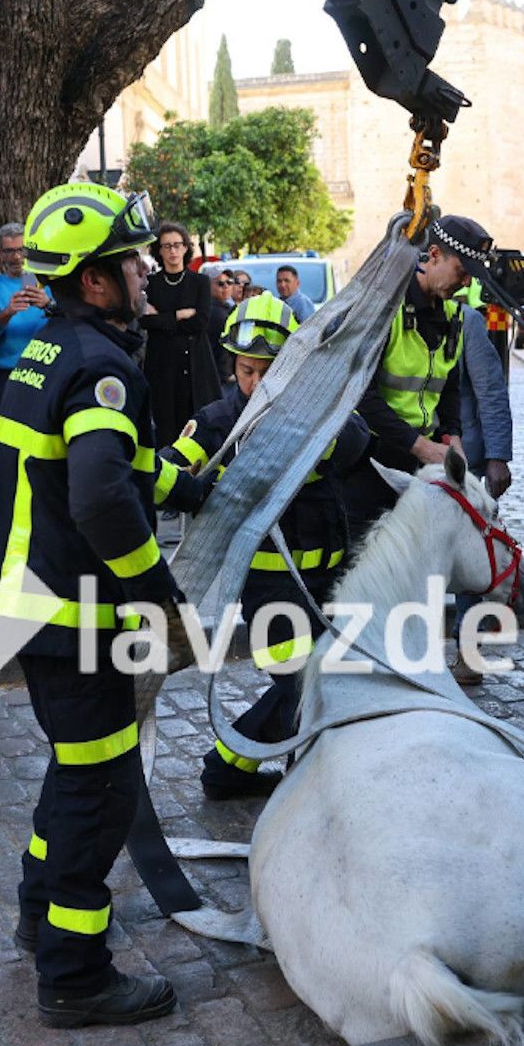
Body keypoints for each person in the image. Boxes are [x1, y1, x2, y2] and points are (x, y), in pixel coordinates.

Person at [0, 182, 212, 1028]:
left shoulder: (49, 348)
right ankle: (75, 974)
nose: (146, 271)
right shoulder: (102, 367)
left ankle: (41, 916)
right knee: (101, 788)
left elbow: (115, 462)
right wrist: (162, 596)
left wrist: (191, 481)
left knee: (74, 765)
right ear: (98, 282)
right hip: (68, 614)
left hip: (19, 601)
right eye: (131, 261)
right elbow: (102, 500)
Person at [164, 294, 371, 799]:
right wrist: (205, 490)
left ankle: (261, 765)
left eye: (269, 370)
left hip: (331, 580)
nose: (256, 383)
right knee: (304, 684)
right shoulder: (217, 421)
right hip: (268, 587)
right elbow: (166, 471)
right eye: (246, 370)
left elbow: (358, 444)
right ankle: (229, 766)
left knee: (329, 682)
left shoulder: (324, 411)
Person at [346, 215, 494, 539]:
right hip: (369, 462)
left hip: (419, 464)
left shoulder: (453, 315)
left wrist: (453, 436)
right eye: (462, 271)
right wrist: (423, 448)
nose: (467, 283)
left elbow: (450, 388)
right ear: (435, 255)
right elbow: (361, 395)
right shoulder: (386, 308)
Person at [450, 281, 513, 686]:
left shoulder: (468, 323)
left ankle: (467, 652)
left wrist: (497, 457)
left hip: (466, 460)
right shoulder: (395, 322)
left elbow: (491, 390)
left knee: (470, 560)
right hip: (411, 454)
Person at [141, 222, 218, 447]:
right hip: (162, 367)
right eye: (166, 246)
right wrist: (177, 315)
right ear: (159, 251)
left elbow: (200, 322)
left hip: (195, 364)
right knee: (166, 429)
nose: (173, 251)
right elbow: (145, 321)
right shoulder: (151, 284)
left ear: (186, 248)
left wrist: (162, 319)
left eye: (177, 245)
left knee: (196, 429)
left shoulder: (200, 282)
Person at [0, 221, 52, 443]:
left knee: (39, 437)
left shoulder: (47, 283)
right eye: (10, 251)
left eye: (21, 250)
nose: (17, 257)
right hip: (2, 376)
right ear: (0, 254)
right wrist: (7, 312)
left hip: (41, 370)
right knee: (0, 439)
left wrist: (47, 304)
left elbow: (67, 320)